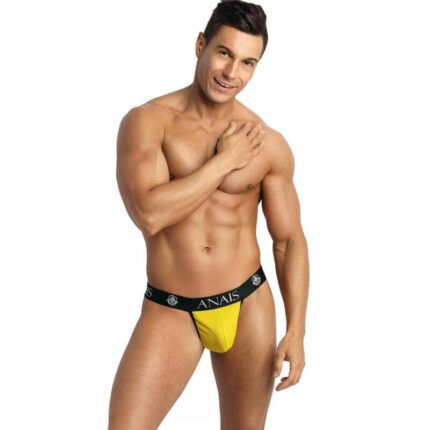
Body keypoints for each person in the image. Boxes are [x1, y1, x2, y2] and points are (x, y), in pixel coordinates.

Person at [108, 1, 309, 429]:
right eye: (224, 53)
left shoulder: (268, 142)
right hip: (171, 307)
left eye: (248, 62)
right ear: (201, 45)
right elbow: (149, 213)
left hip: (248, 302)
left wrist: (297, 330)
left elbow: (289, 240)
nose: (232, 72)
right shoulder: (148, 123)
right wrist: (224, 162)